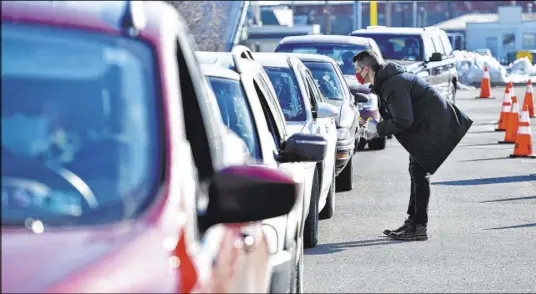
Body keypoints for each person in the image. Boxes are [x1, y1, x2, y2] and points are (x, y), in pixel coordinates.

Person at [353, 49, 473, 241]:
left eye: (358, 70)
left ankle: (419, 226)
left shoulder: (393, 83)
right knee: (415, 170)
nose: (356, 74)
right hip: (427, 127)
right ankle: (413, 221)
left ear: (366, 69)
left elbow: (403, 120)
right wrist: (377, 124)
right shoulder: (388, 81)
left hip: (435, 127)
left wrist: (378, 130)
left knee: (419, 173)